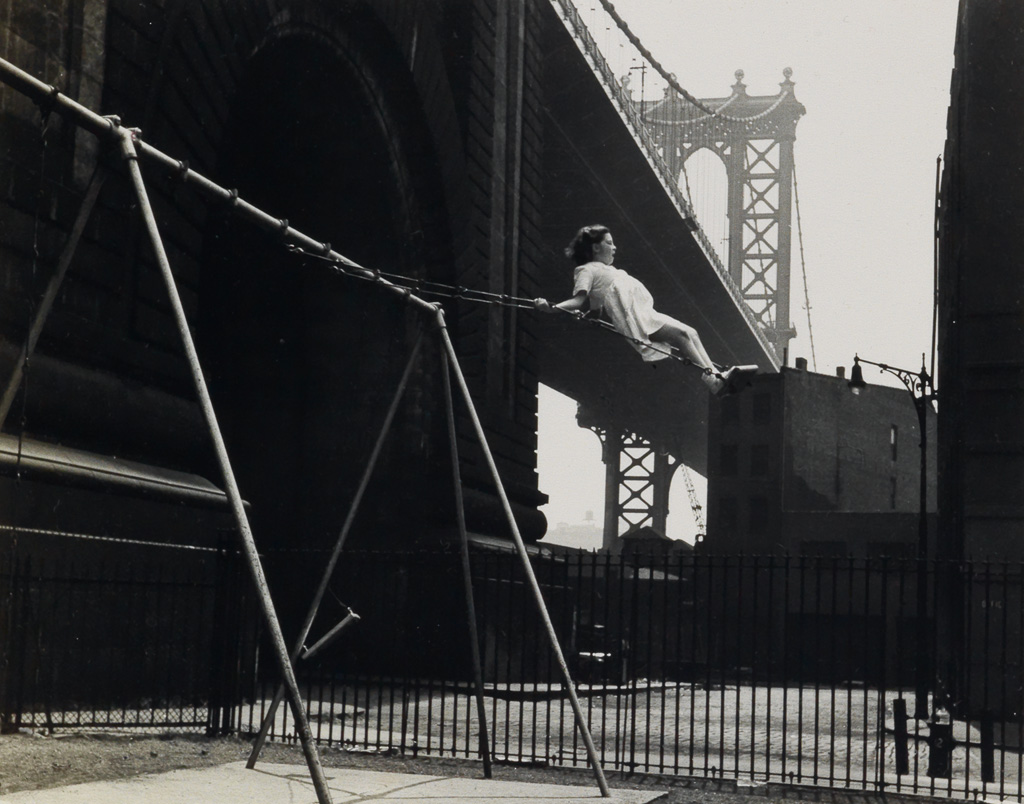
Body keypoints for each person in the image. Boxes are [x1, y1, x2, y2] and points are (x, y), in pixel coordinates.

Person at [534, 224, 756, 396]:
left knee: (690, 332)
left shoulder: (606, 270)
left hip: (643, 310)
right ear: (595, 247)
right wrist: (550, 308)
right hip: (634, 316)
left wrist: (590, 317)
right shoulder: (585, 270)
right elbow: (577, 300)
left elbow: (595, 309)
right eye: (610, 243)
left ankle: (716, 376)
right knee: (681, 335)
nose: (615, 247)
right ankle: (713, 380)